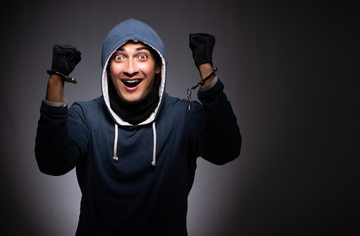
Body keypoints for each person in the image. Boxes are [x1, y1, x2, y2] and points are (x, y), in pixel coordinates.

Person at [35, 18, 241, 236]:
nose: (130, 69)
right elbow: (52, 163)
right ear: (107, 68)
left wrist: (206, 70)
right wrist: (56, 80)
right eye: (119, 57)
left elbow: (226, 150)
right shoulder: (86, 116)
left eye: (142, 56)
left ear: (158, 66)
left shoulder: (184, 116)